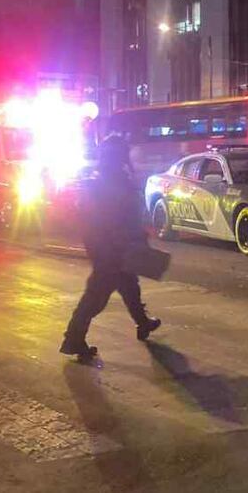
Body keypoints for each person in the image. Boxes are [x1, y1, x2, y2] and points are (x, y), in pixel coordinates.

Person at [60, 135, 160, 360]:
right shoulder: (108, 181)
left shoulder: (109, 178)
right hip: (111, 250)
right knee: (96, 297)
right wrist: (118, 243)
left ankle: (142, 323)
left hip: (114, 247)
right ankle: (73, 338)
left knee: (129, 286)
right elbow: (111, 218)